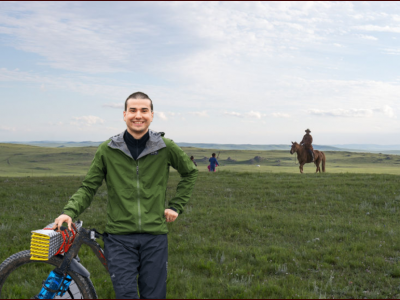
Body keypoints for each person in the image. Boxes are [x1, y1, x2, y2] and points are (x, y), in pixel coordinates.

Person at [52, 91, 198, 299]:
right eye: (133, 110)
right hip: (119, 238)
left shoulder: (165, 147)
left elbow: (190, 172)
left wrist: (176, 206)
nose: (138, 115)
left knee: (154, 296)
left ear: (152, 115)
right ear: (124, 114)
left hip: (155, 237)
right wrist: (69, 212)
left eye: (144, 110)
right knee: (126, 295)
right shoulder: (108, 149)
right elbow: (88, 187)